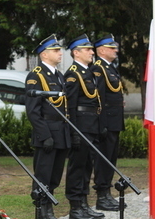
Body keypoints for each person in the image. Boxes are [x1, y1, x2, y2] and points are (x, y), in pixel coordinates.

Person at [25, 34, 70, 219]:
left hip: (61, 132)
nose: (60, 53)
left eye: (59, 50)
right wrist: (45, 136)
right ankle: (42, 209)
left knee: (55, 175)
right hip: (47, 134)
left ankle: (49, 204)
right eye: (55, 50)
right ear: (44, 55)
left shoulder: (58, 75)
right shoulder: (35, 76)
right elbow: (33, 111)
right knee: (43, 174)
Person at [64, 34, 104, 219]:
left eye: (91, 49)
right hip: (80, 126)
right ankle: (75, 207)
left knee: (88, 167)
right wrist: (73, 131)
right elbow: (69, 105)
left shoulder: (88, 72)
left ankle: (84, 204)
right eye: (87, 49)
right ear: (76, 53)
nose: (91, 52)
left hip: (91, 126)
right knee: (77, 167)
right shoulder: (73, 74)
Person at [90, 34, 125, 211]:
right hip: (106, 122)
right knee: (103, 160)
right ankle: (102, 196)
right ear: (102, 50)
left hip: (114, 121)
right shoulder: (98, 68)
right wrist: (101, 124)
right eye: (112, 48)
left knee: (111, 158)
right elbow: (99, 99)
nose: (115, 50)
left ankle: (107, 193)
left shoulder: (110, 68)